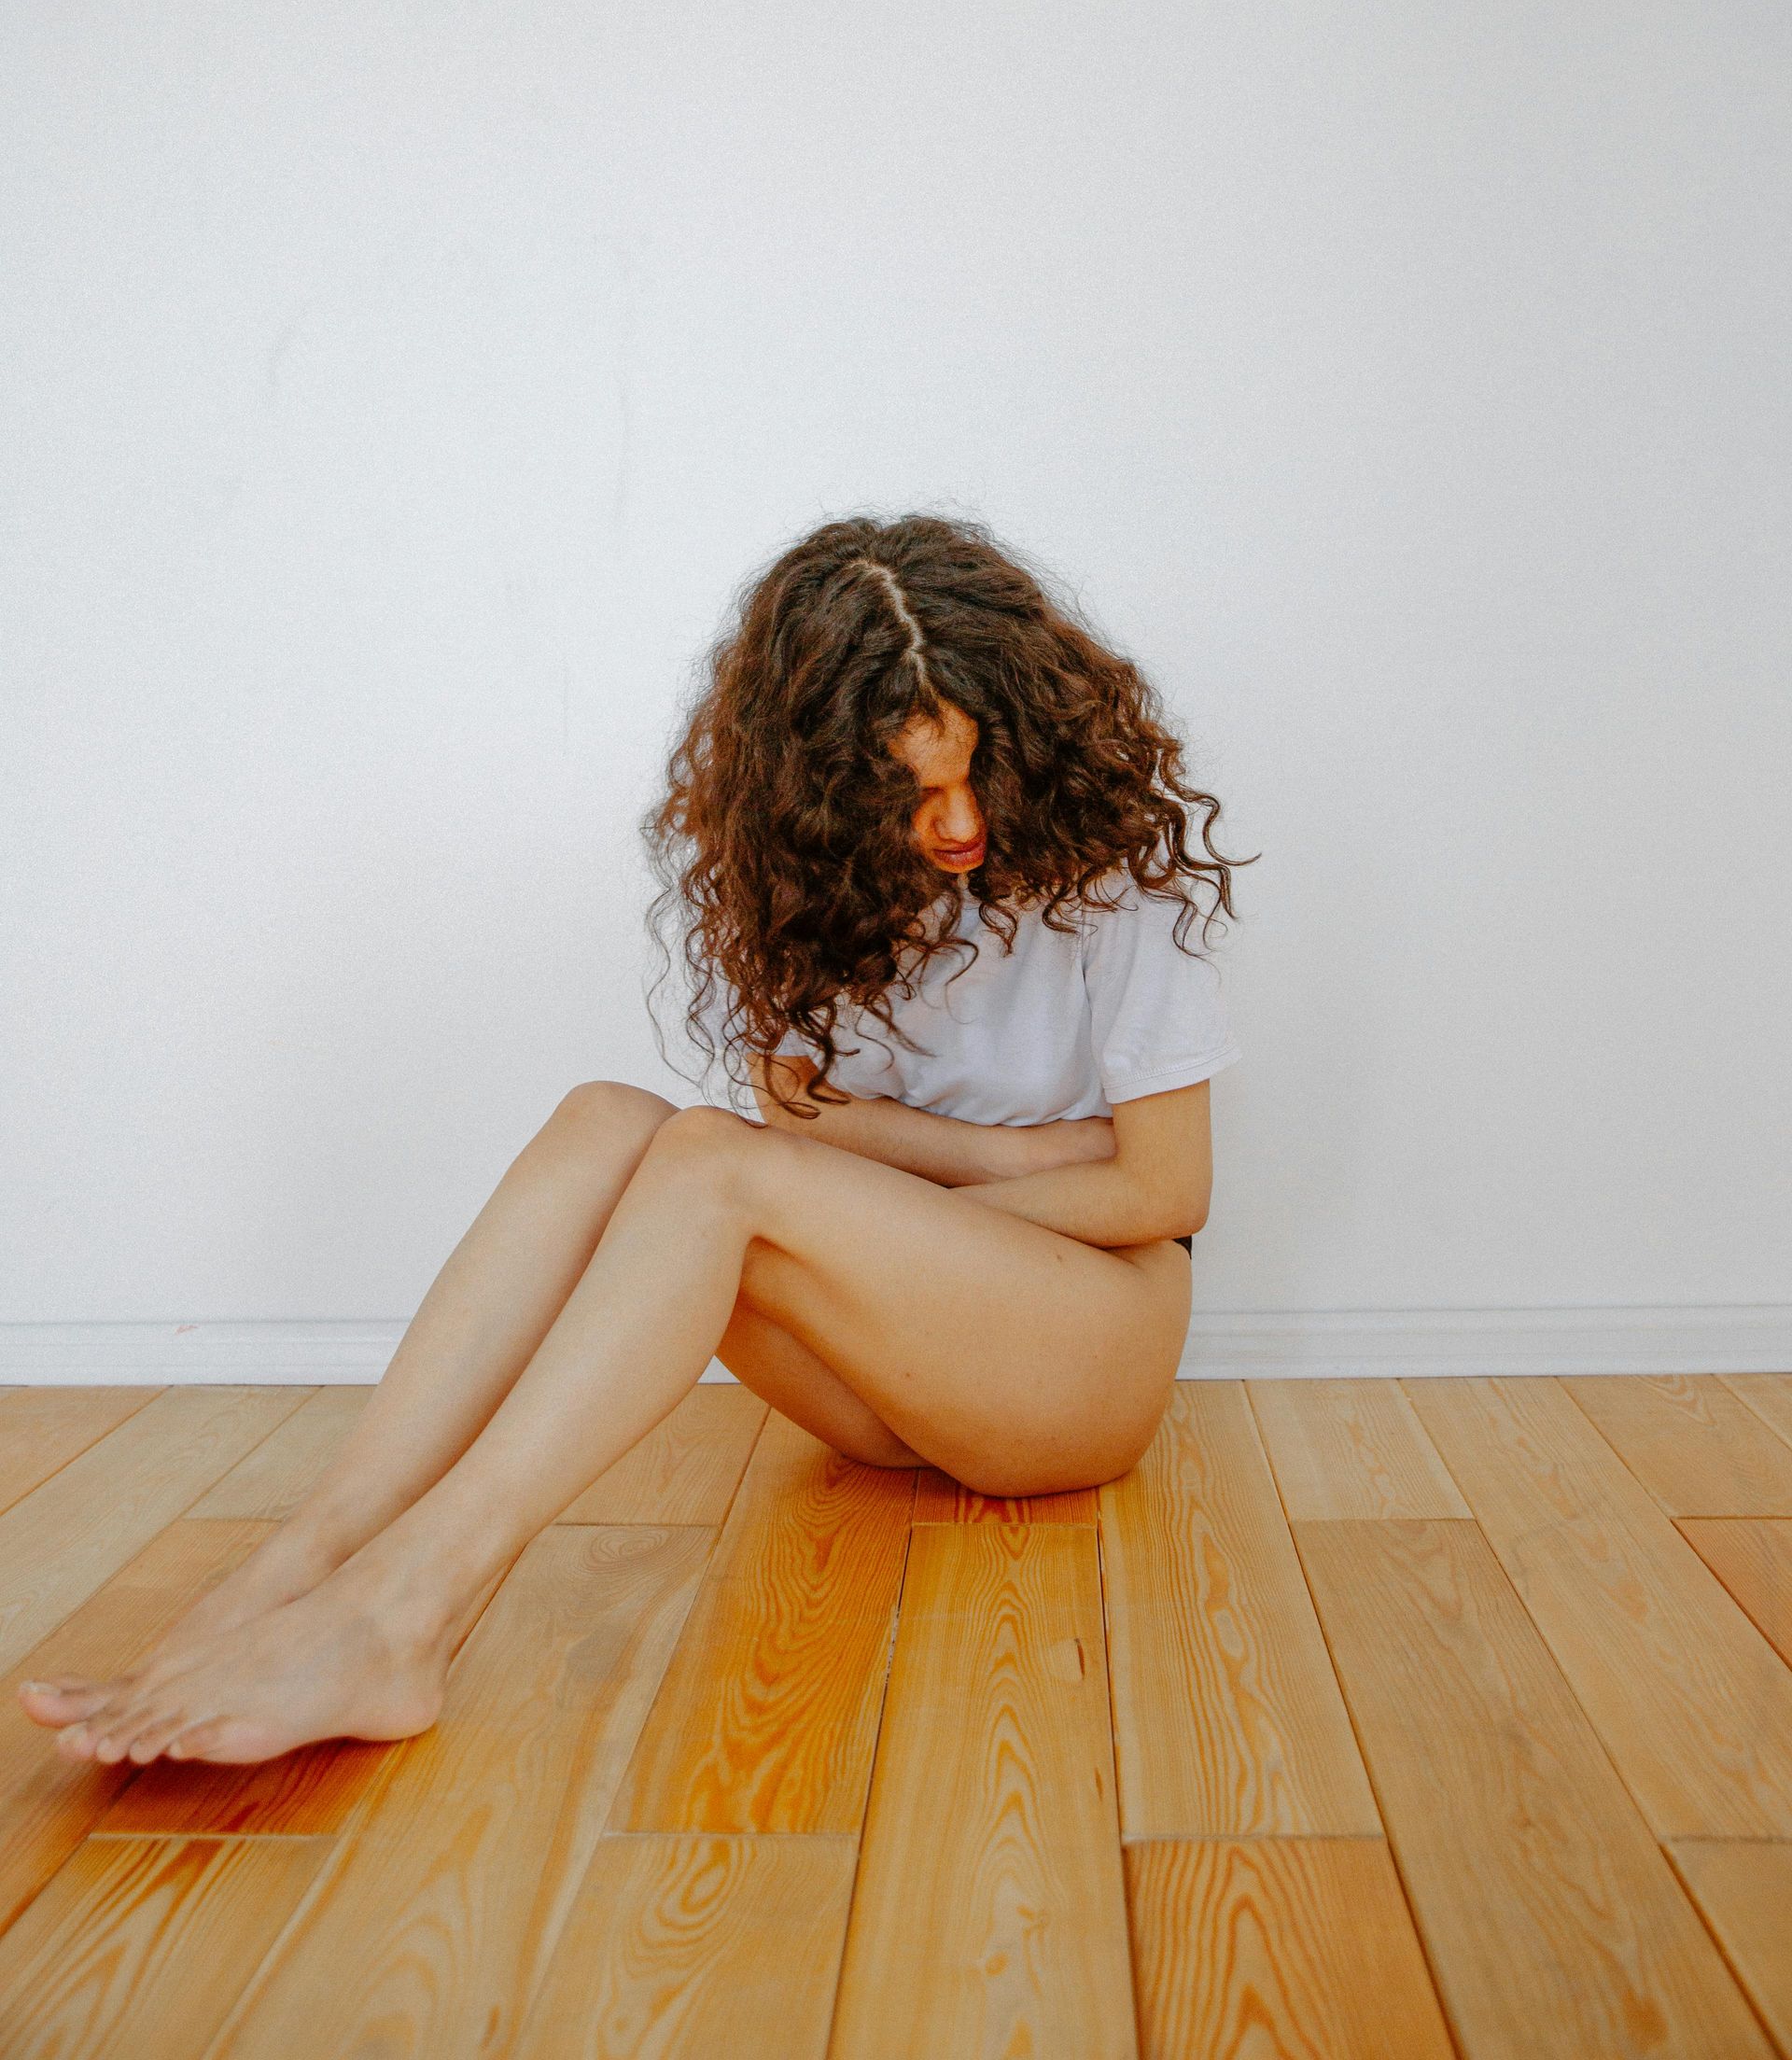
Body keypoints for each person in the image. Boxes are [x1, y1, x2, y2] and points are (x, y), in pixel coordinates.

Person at [21, 512, 1254, 1769]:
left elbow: (1160, 1188)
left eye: (976, 776)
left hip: (1087, 1354)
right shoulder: (815, 888)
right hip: (893, 1371)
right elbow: (799, 1122)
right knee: (609, 1123)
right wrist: (1024, 1153)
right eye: (911, 793)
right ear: (825, 790)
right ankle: (304, 1560)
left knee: (710, 1167)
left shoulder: (1116, 871)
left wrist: (900, 1181)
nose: (956, 827)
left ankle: (406, 1612)